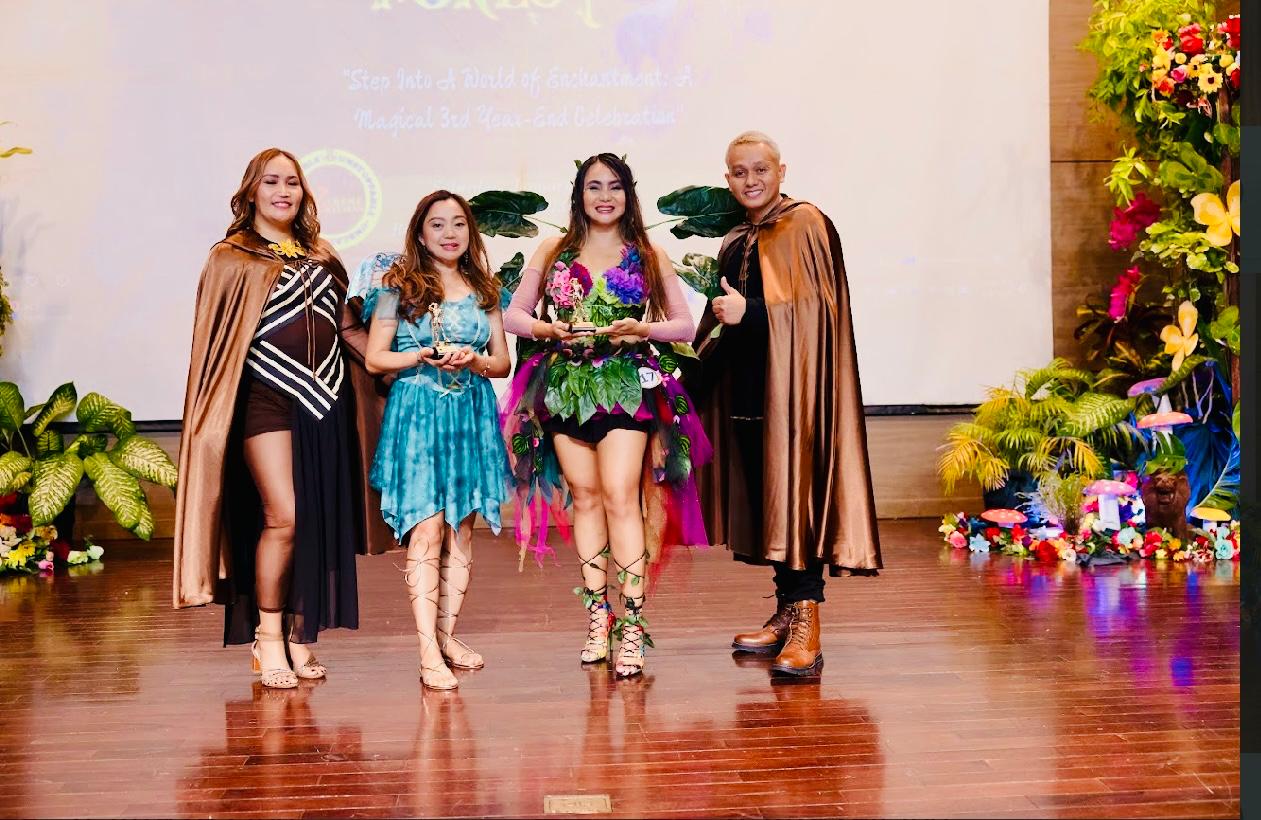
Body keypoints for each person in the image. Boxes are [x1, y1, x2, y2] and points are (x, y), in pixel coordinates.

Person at [174, 148, 388, 688]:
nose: (283, 191)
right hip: (264, 398)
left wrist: (401, 355)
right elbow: (219, 346)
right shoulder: (231, 258)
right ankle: (265, 637)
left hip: (326, 401)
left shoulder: (322, 253)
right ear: (251, 192)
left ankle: (296, 634)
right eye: (271, 182)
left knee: (310, 522)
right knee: (284, 516)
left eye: (292, 182)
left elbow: (347, 331)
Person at [501, 153, 710, 678]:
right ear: (579, 194)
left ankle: (632, 627)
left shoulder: (646, 252)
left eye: (614, 187)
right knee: (587, 498)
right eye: (594, 187)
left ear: (628, 194)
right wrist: (548, 331)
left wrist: (641, 330)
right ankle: (599, 617)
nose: (604, 197)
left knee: (621, 494)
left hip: (624, 385)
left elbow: (684, 326)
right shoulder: (554, 249)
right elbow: (513, 315)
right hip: (567, 386)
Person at [693, 131, 881, 676]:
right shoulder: (733, 240)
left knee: (796, 499)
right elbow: (722, 321)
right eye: (738, 172)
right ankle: (785, 613)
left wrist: (748, 315)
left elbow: (818, 312)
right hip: (748, 395)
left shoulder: (807, 224)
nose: (750, 181)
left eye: (760, 170)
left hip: (797, 397)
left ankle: (807, 624)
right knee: (771, 504)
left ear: (781, 172)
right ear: (727, 179)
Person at [362, 191, 513, 691]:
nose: (449, 233)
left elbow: (501, 363)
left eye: (459, 224)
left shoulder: (484, 289)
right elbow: (376, 359)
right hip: (418, 414)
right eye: (437, 224)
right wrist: (420, 357)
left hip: (469, 413)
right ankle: (427, 649)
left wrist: (473, 362)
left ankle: (447, 636)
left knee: (461, 530)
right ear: (420, 232)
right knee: (425, 531)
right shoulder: (393, 289)